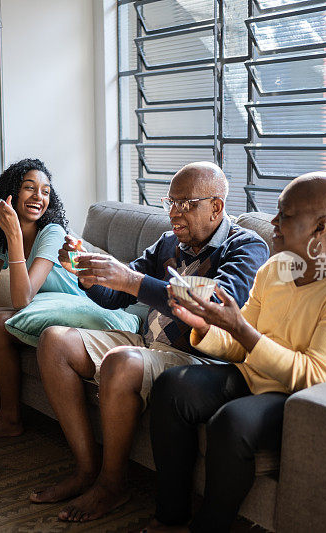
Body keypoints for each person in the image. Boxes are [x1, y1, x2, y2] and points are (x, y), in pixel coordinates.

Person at [146, 172, 326, 532]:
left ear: (320, 227)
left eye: (285, 215)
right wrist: (205, 326)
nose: (273, 223)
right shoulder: (276, 267)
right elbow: (241, 342)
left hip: (308, 400)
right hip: (256, 375)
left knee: (232, 422)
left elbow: (317, 377)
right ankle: (171, 516)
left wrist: (242, 330)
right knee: (172, 386)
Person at [31, 162, 271, 522]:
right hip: (147, 343)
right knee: (54, 342)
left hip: (199, 360)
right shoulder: (169, 241)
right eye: (170, 202)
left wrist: (129, 280)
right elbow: (117, 297)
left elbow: (216, 309)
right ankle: (85, 470)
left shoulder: (247, 247)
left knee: (122, 361)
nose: (174, 213)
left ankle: (113, 486)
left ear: (216, 208)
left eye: (185, 204)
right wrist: (87, 275)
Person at [0, 158, 80, 438]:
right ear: (11, 194)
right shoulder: (6, 237)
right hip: (45, 308)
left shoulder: (52, 232)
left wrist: (15, 235)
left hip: (74, 307)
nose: (39, 197)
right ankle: (1, 406)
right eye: (30, 188)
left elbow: (22, 300)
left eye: (45, 191)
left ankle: (11, 418)